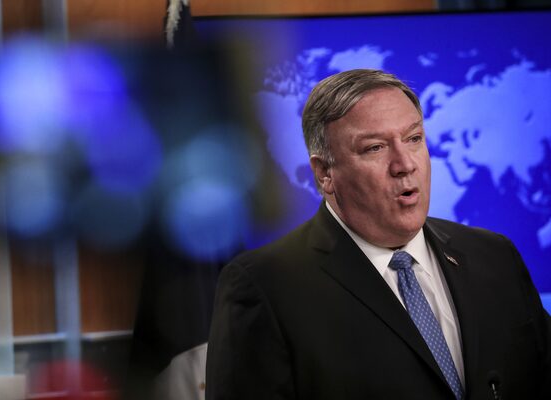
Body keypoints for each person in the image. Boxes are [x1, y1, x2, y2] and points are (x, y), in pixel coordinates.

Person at [205, 69, 551, 399]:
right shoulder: (265, 287)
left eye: (413, 139)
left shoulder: (494, 255)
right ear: (324, 173)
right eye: (375, 148)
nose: (405, 164)